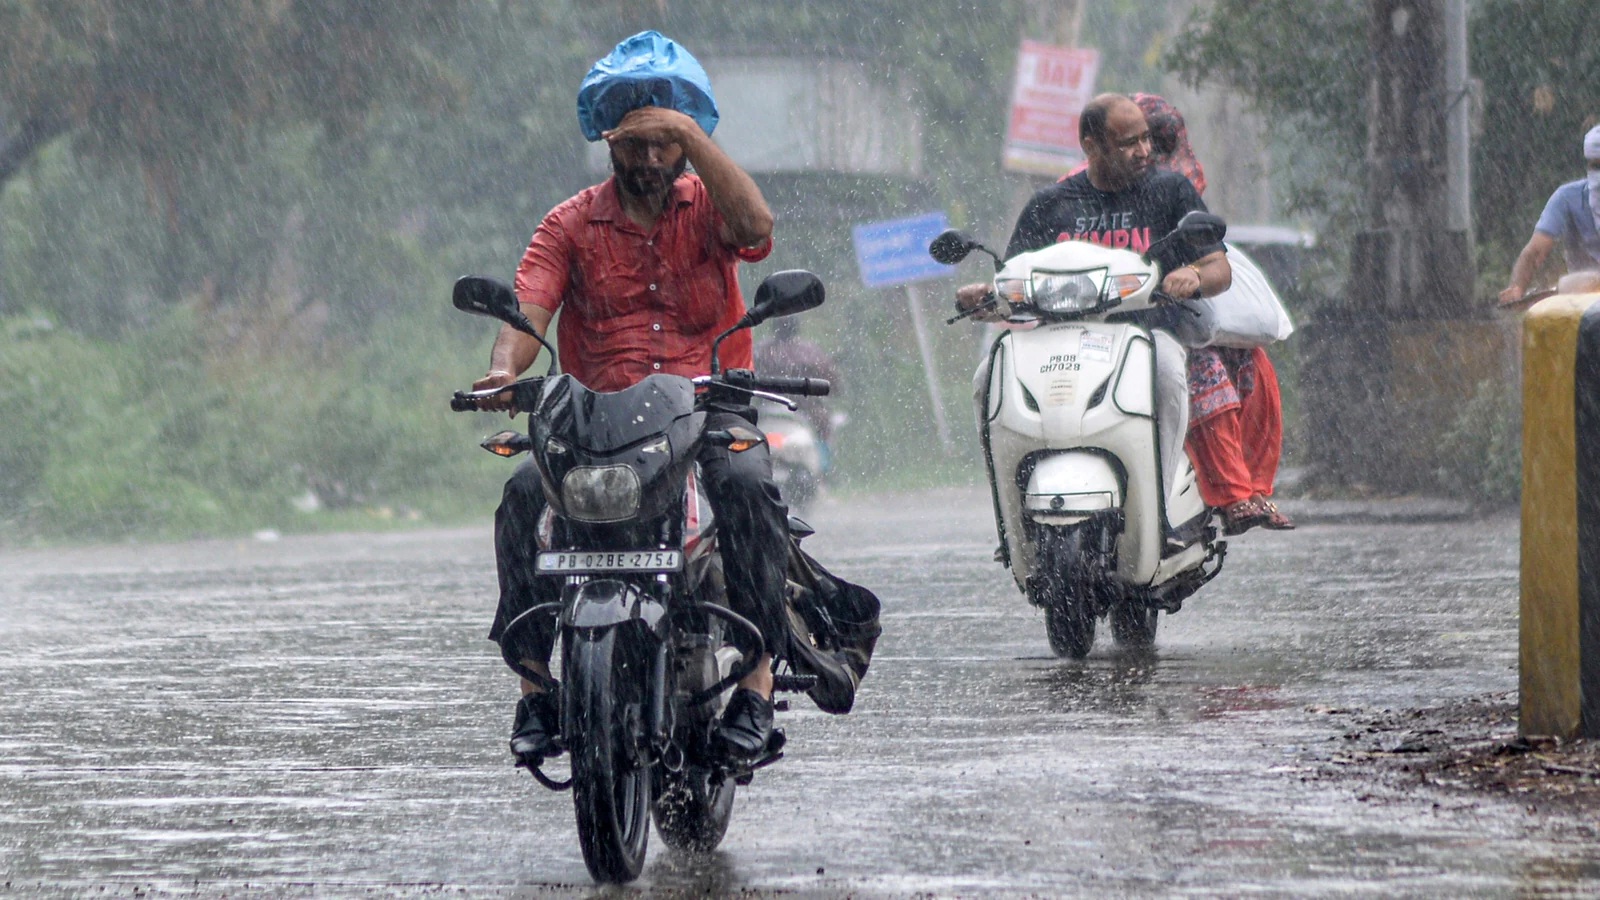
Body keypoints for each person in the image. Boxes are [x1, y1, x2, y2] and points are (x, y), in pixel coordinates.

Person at [473, 34, 873, 768]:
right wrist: (503, 373)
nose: (652, 160)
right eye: (637, 144)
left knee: (750, 484)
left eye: (668, 142)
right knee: (523, 492)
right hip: (596, 420)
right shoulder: (567, 224)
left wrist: (691, 130)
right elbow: (527, 315)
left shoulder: (711, 207)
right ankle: (534, 687)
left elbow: (756, 230)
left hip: (709, 406)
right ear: (609, 142)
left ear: (689, 138)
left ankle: (754, 682)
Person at [957, 92, 1290, 534]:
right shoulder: (1050, 205)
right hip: (1061, 338)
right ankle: (1011, 519)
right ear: (1092, 148)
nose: (1145, 151)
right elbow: (1015, 276)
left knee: (1172, 380)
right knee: (987, 379)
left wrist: (1193, 274)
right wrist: (987, 295)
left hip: (1149, 338)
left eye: (1147, 139)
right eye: (1130, 142)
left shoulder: (1170, 191)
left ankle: (1159, 508)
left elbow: (1218, 268)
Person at [1499, 124, 1600, 306]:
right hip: (1582, 297)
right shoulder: (1568, 197)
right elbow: (1536, 250)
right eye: (1596, 166)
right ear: (1588, 166)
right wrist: (1518, 287)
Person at [753, 316, 842, 468]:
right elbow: (834, 384)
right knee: (825, 425)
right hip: (805, 413)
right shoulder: (810, 353)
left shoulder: (760, 351)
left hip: (764, 412)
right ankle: (823, 468)